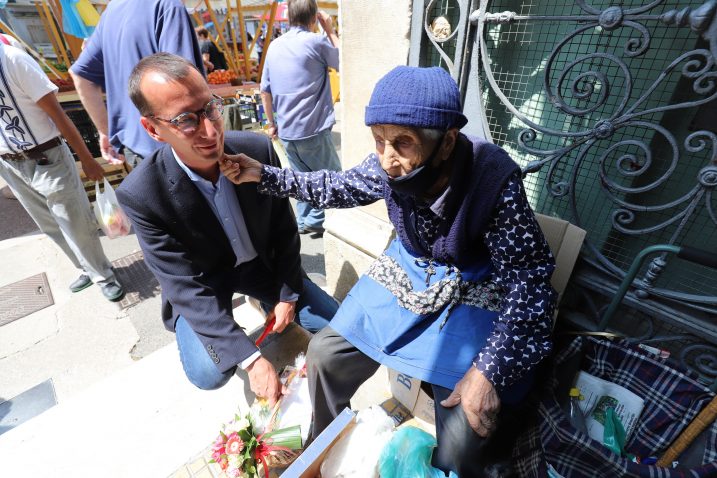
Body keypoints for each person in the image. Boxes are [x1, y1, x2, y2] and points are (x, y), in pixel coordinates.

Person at [221, 66, 558, 475]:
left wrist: (487, 370)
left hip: (472, 287)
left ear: (447, 142)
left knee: (463, 427)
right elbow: (339, 186)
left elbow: (530, 283)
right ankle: (324, 451)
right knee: (325, 354)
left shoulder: (494, 180)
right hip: (410, 274)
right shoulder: (387, 166)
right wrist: (265, 174)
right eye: (379, 140)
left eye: (403, 143)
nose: (387, 159)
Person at [116, 53, 338, 403]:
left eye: (209, 108)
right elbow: (183, 285)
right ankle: (240, 322)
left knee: (337, 327)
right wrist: (251, 360)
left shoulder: (256, 149)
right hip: (205, 283)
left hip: (262, 267)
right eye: (186, 120)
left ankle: (263, 298)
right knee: (209, 372)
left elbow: (284, 230)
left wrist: (286, 294)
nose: (210, 131)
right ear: (153, 129)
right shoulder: (142, 194)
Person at [0, 43, 124, 301]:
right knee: (48, 224)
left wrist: (87, 159)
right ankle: (86, 268)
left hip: (47, 156)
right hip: (9, 163)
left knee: (74, 221)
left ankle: (103, 274)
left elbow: (58, 115)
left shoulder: (14, 60)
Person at [69, 0, 204, 167]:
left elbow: (80, 75)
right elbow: (181, 81)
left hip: (135, 149)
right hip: (173, 150)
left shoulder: (111, 12)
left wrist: (105, 131)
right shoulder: (167, 5)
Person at [260, 0, 340, 235]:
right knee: (332, 178)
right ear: (314, 18)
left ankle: (304, 221)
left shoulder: (274, 46)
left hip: (286, 130)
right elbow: (343, 61)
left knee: (301, 178)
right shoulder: (316, 42)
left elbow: (264, 91)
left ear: (288, 18)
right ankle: (316, 219)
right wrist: (329, 29)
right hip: (313, 128)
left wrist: (271, 123)